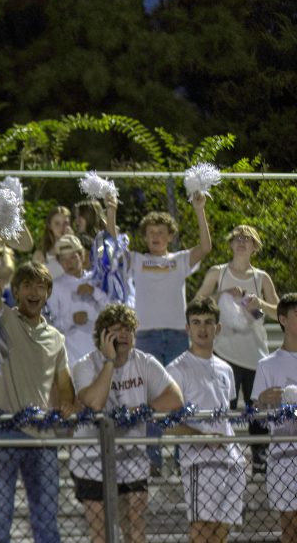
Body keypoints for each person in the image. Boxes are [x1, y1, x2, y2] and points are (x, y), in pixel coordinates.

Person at [0, 228, 77, 543]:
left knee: (47, 527)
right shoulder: (3, 319)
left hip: (41, 440)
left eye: (41, 286)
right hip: (0, 434)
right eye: (27, 286)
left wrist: (67, 405)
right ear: (16, 291)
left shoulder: (57, 338)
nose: (34, 292)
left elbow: (65, 389)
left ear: (48, 293)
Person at [71, 303, 182, 543]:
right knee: (101, 532)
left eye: (127, 329)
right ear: (101, 335)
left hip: (132, 459)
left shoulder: (144, 362)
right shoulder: (85, 365)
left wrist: (140, 410)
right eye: (115, 330)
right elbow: (94, 402)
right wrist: (109, 362)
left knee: (135, 528)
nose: (122, 335)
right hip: (90, 461)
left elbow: (174, 398)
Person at [166, 297, 247, 543]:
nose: (202, 329)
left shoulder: (226, 368)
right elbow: (168, 424)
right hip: (199, 462)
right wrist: (202, 438)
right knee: (200, 532)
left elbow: (224, 416)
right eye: (196, 323)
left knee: (220, 536)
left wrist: (233, 448)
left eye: (208, 323)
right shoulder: (176, 369)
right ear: (187, 328)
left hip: (230, 461)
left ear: (218, 328)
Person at [194, 224, 280, 473]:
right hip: (223, 354)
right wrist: (222, 294)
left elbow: (278, 312)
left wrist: (256, 302)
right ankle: (224, 457)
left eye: (247, 239)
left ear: (255, 247)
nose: (242, 242)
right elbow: (197, 302)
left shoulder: (261, 277)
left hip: (255, 355)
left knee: (259, 411)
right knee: (225, 408)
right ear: (231, 244)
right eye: (237, 238)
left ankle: (260, 461)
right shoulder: (218, 273)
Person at [107, 193, 212, 367]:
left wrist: (200, 210)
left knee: (177, 383)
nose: (156, 236)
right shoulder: (137, 260)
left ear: (170, 237)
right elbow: (114, 246)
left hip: (177, 335)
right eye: (151, 233)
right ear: (145, 237)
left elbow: (205, 248)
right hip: (145, 336)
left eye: (161, 232)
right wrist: (111, 211)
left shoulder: (180, 259)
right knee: (149, 384)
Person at [253, 292, 297, 543]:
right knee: (289, 526)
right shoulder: (267, 364)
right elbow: (255, 415)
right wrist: (261, 402)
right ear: (282, 319)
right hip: (283, 456)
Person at [46, 234, 108, 367]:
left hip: (100, 353)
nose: (68, 263)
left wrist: (94, 291)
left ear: (82, 256)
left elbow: (111, 310)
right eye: (63, 259)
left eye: (73, 257)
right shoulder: (55, 286)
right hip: (73, 359)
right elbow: (53, 326)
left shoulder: (96, 279)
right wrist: (72, 319)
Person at [33, 205, 73, 280]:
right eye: (57, 223)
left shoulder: (78, 248)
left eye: (65, 223)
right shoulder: (41, 253)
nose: (61, 227)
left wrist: (72, 241)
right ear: (50, 226)